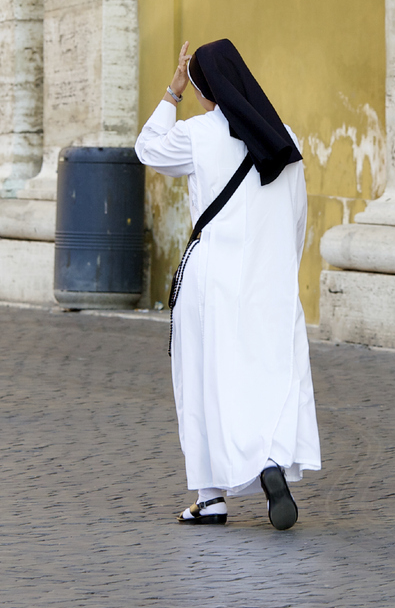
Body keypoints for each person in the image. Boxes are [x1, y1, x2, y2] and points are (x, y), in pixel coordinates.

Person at [137, 39, 320, 531]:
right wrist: (279, 270)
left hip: (211, 279)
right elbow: (297, 220)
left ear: (205, 90)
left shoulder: (197, 135)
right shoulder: (285, 135)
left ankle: (211, 496)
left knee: (202, 379)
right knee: (268, 374)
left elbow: (147, 148)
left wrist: (171, 95)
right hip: (270, 279)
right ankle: (270, 463)